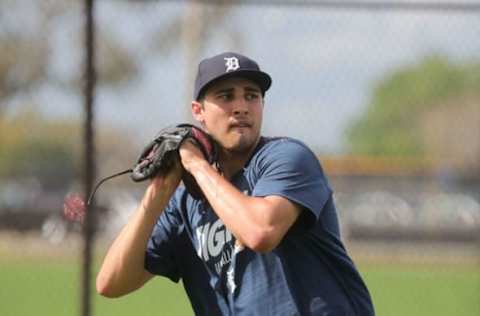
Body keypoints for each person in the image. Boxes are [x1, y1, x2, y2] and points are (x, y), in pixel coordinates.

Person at [96, 52, 375, 316]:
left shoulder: (286, 158)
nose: (240, 107)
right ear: (198, 111)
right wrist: (160, 190)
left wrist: (195, 164)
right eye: (226, 96)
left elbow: (261, 232)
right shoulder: (183, 202)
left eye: (251, 96)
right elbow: (111, 283)